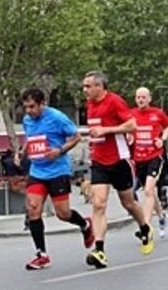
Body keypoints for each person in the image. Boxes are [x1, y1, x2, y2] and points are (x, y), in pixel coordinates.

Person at [81, 71, 153, 268]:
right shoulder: (89, 104)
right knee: (98, 204)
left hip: (119, 160)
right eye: (84, 86)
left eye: (88, 86)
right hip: (99, 161)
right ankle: (99, 250)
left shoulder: (114, 101)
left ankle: (145, 227)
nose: (85, 90)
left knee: (128, 203)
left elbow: (132, 125)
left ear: (99, 86)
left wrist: (107, 130)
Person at [18, 88, 94, 270]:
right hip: (37, 171)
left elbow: (76, 136)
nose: (29, 111)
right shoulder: (27, 120)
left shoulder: (57, 118)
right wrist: (22, 152)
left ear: (42, 104)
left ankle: (84, 224)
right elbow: (30, 138)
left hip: (57, 171)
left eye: (32, 107)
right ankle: (41, 255)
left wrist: (59, 151)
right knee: (33, 209)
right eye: (26, 107)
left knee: (63, 213)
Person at [127, 87, 168, 239]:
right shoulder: (131, 114)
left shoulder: (157, 113)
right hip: (138, 158)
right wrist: (129, 136)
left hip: (155, 156)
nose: (141, 100)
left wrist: (162, 139)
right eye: (138, 97)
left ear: (149, 99)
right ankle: (161, 216)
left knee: (148, 190)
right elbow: (127, 129)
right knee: (150, 192)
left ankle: (145, 227)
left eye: (143, 97)